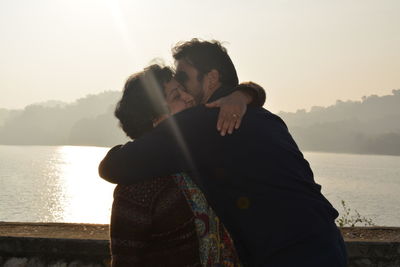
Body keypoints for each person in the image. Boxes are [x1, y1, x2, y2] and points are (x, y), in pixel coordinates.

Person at [100, 39, 347, 266]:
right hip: (326, 244)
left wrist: (246, 92)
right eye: (177, 91)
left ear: (211, 78)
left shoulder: (201, 123)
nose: (185, 94)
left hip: (289, 255)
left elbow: (112, 166)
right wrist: (247, 92)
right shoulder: (264, 117)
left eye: (184, 78)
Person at [109, 64, 265, 266]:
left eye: (184, 90)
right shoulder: (137, 188)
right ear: (156, 120)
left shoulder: (200, 155)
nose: (189, 97)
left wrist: (242, 95)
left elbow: (256, 97)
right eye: (176, 97)